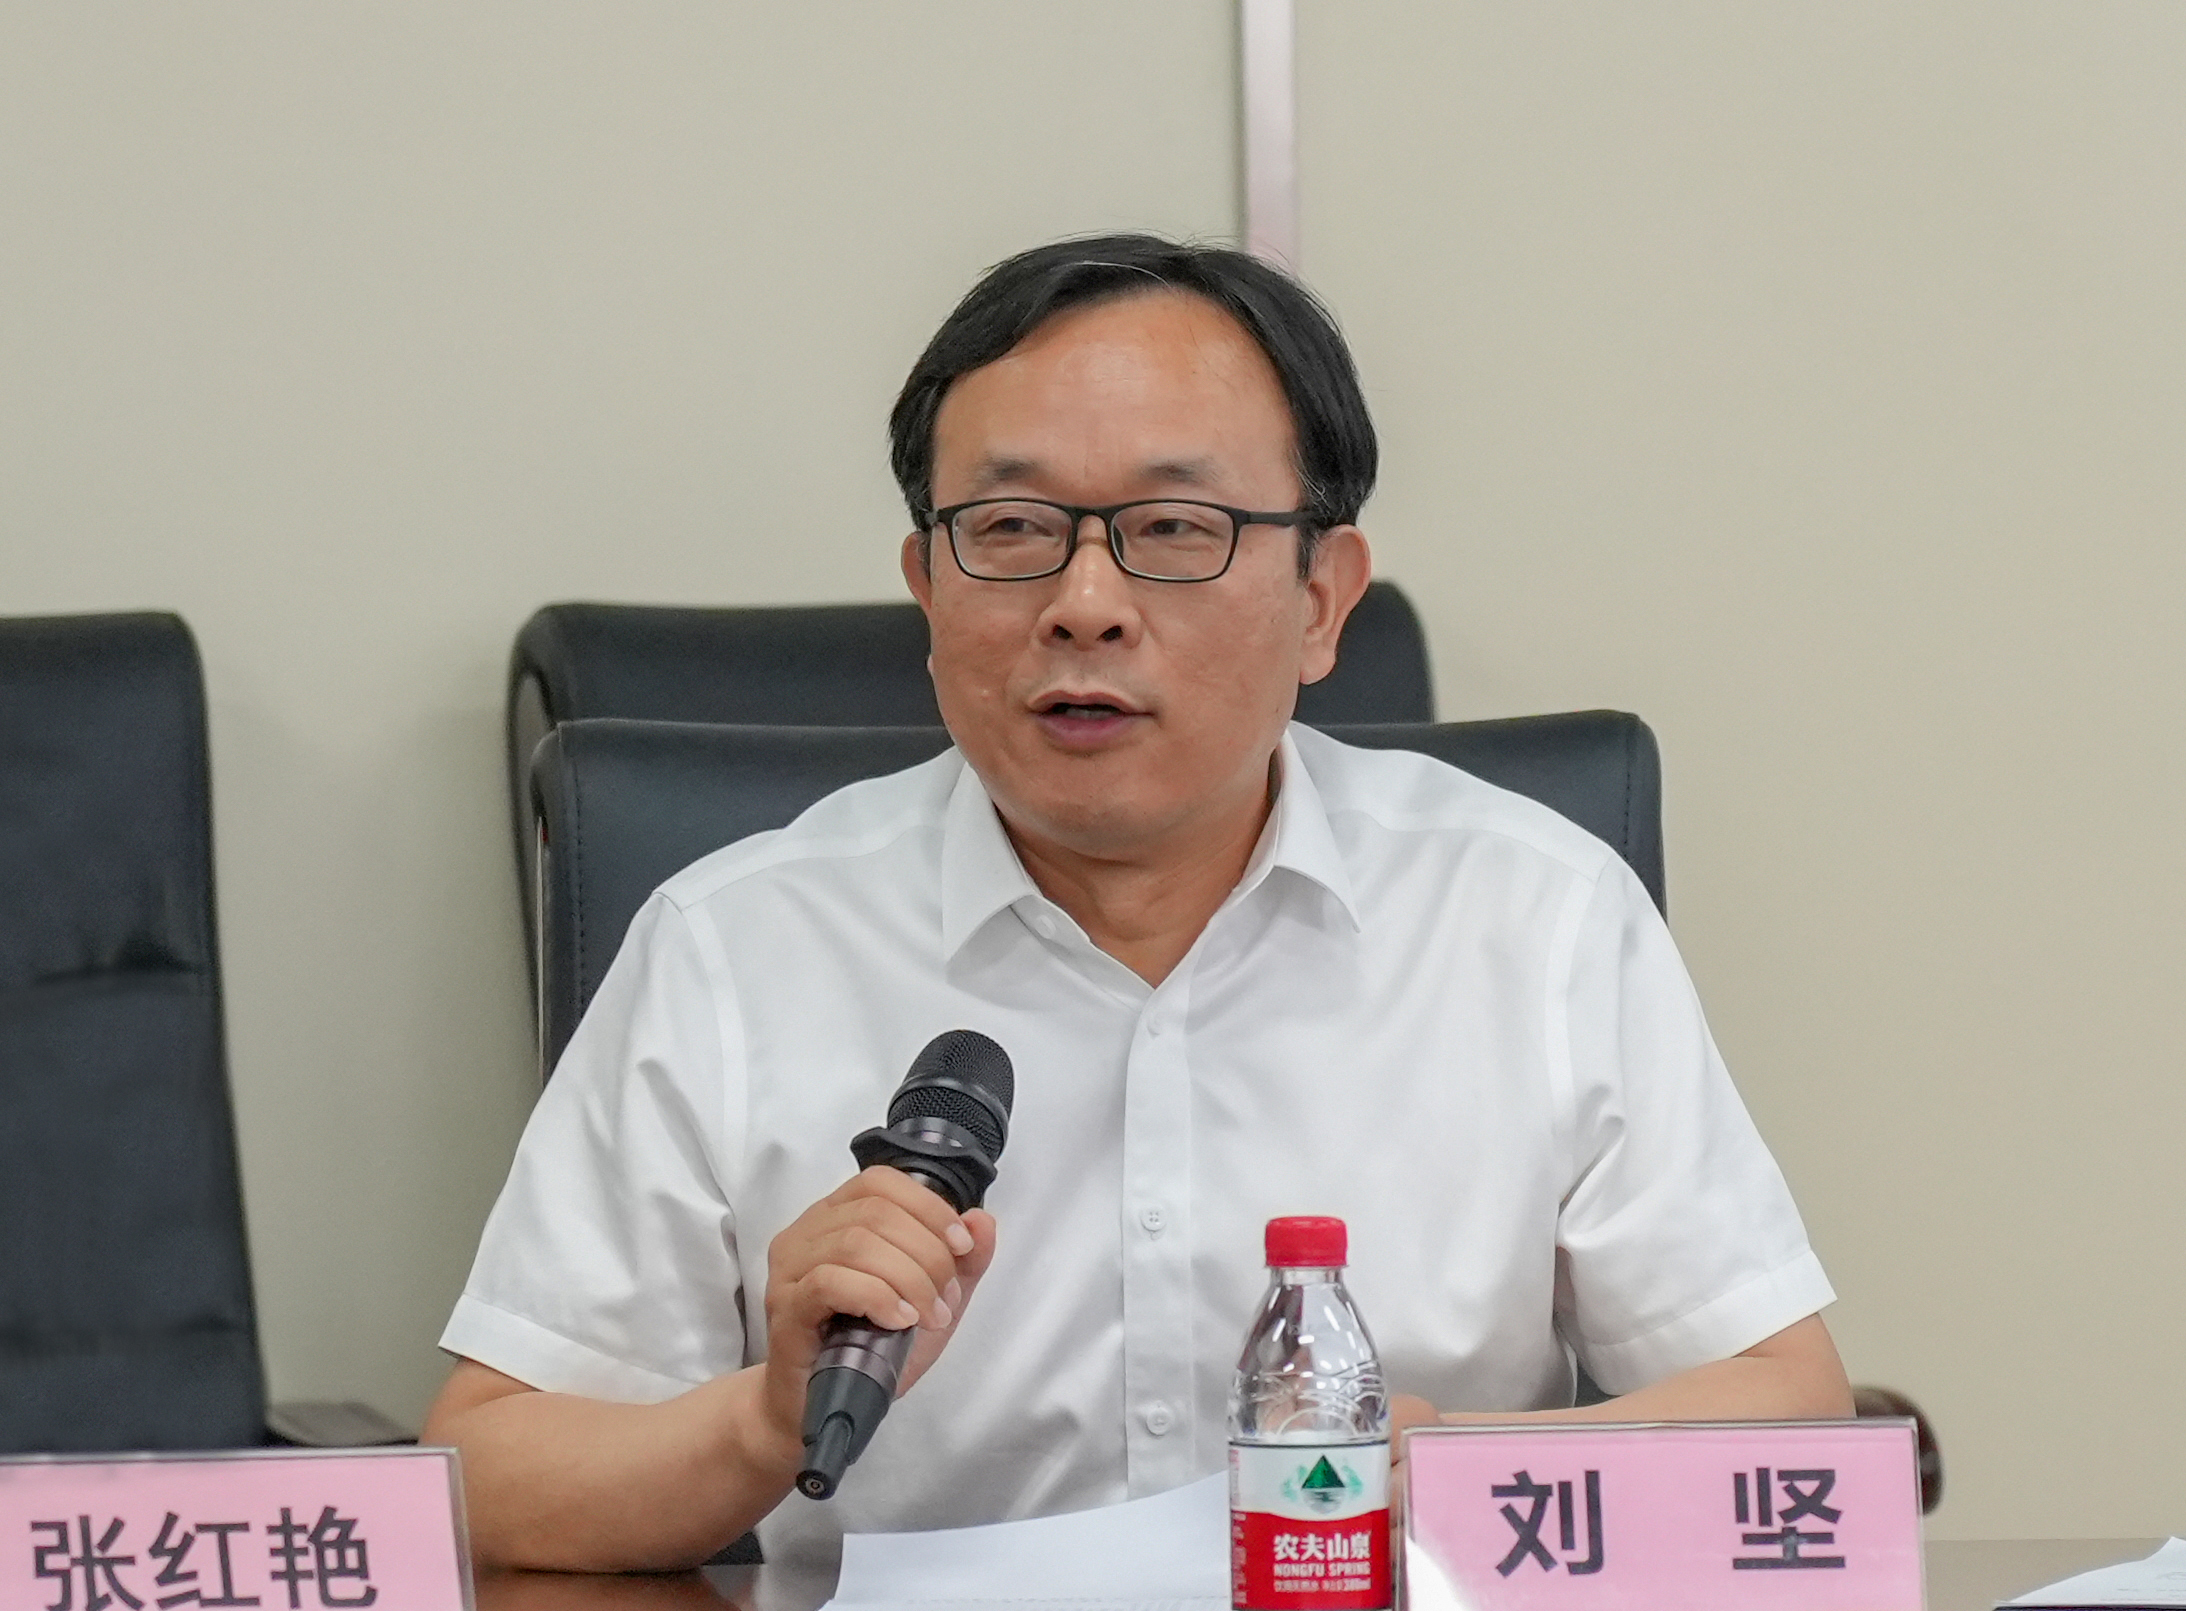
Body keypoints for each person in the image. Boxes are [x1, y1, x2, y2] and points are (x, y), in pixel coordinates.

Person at [423, 234, 1851, 1574]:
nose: (1086, 603)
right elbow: (490, 1472)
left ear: (1322, 598)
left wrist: (1443, 1473)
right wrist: (760, 1417)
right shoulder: (735, 947)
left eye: (1173, 527)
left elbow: (1781, 1403)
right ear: (927, 589)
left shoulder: (1535, 918)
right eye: (1011, 528)